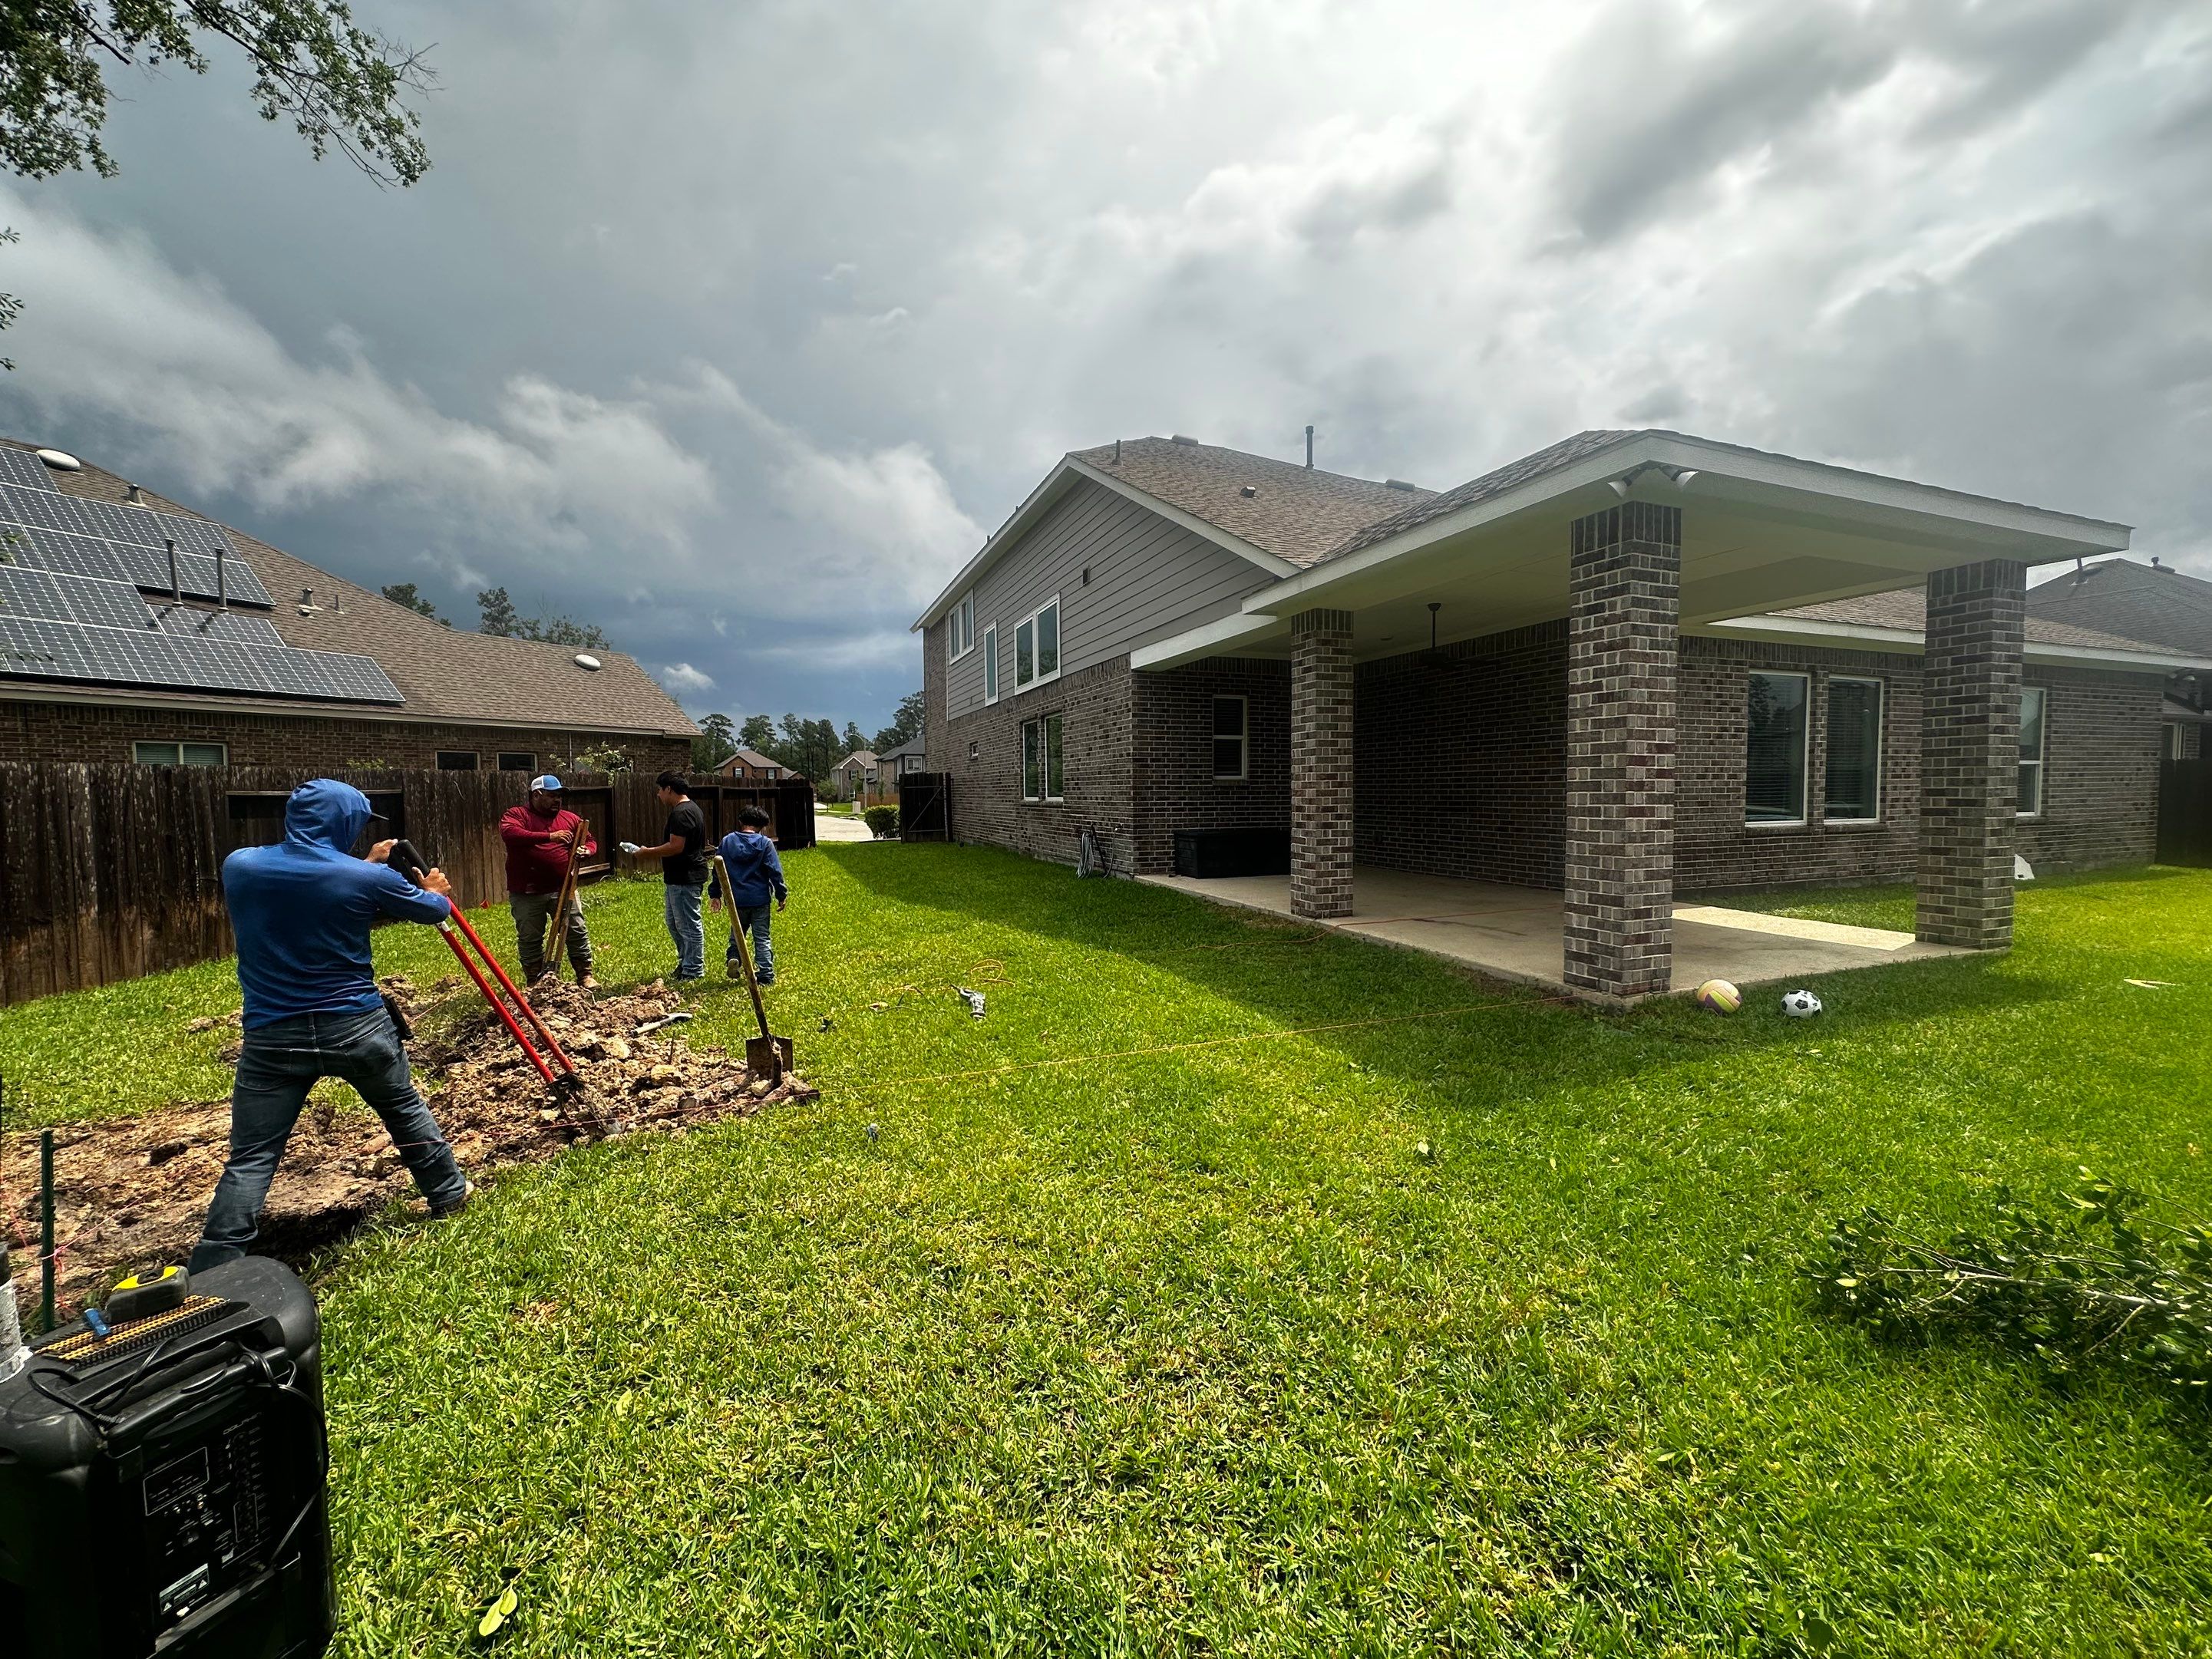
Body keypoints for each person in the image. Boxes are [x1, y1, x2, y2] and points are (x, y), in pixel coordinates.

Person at [190, 780, 470, 1271]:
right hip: (356, 1026)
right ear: (344, 823)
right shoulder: (365, 880)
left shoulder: (241, 866)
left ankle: (217, 1261)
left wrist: (364, 865)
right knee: (403, 1111)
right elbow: (434, 910)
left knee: (252, 1154)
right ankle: (448, 1194)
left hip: (273, 1034)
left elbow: (312, 884)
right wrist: (431, 890)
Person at [500, 773, 597, 988]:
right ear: (537, 795)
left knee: (576, 929)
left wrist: (586, 851)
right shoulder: (518, 814)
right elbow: (510, 834)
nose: (558, 800)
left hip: (563, 887)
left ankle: (585, 974)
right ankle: (535, 980)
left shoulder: (570, 818)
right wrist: (549, 837)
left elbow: (589, 840)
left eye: (560, 796)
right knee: (530, 936)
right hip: (527, 891)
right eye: (552, 795)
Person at [619, 770, 709, 981]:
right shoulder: (689, 809)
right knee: (674, 923)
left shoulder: (682, 813)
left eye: (660, 790)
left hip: (686, 877)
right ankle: (685, 963)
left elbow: (676, 847)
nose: (659, 795)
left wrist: (646, 852)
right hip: (677, 877)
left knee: (688, 925)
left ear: (669, 789)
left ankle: (693, 970)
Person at [708, 804, 788, 985]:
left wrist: (715, 894)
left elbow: (717, 870)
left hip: (735, 900)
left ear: (741, 821)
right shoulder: (765, 844)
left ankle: (734, 958)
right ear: (762, 826)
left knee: (737, 934)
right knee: (762, 938)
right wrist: (781, 894)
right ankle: (766, 975)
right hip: (759, 899)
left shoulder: (727, 841)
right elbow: (775, 872)